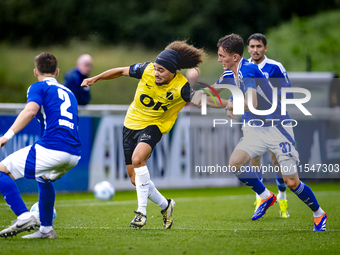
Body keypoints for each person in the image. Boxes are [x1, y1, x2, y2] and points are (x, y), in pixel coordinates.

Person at [191, 34, 327, 231]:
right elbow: (212, 94)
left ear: (235, 57)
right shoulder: (229, 73)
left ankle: (318, 213)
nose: (219, 59)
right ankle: (265, 196)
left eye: (222, 56)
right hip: (257, 128)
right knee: (235, 163)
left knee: (291, 181)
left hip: (278, 127)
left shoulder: (248, 70)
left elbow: (252, 103)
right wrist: (197, 95)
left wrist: (229, 104)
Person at [81, 40, 204, 229]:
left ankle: (141, 213)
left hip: (154, 126)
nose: (156, 72)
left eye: (161, 70)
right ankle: (166, 205)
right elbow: (121, 71)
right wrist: (95, 79)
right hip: (130, 125)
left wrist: (228, 104)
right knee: (134, 179)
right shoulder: (145, 69)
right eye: (156, 68)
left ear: (173, 72)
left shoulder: (182, 86)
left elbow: (200, 99)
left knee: (139, 159)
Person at [0, 52, 81, 239]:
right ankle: (46, 229)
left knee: (1, 171)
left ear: (35, 71)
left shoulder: (38, 87)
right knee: (43, 177)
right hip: (74, 154)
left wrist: (7, 136)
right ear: (57, 72)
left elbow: (30, 111)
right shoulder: (69, 92)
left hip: (53, 148)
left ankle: (23, 216)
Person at [246, 33, 292, 217]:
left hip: (274, 119)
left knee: (276, 160)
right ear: (248, 49)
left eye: (259, 46)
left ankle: (281, 196)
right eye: (252, 47)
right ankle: (261, 196)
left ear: (265, 48)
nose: (255, 50)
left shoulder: (275, 67)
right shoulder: (243, 67)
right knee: (254, 157)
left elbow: (288, 93)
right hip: (252, 119)